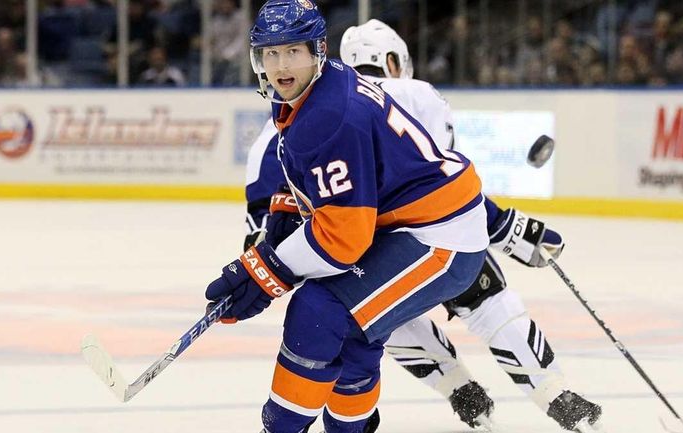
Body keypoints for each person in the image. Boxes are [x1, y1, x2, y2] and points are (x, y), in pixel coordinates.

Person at [244, 17, 604, 433]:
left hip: (354, 250)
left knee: (371, 316)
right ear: (394, 61)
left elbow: (266, 215)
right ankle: (555, 395)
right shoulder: (416, 96)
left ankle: (459, 389)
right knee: (489, 301)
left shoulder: (292, 119)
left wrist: (267, 259)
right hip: (428, 240)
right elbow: (435, 183)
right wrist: (509, 227)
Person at [205, 1, 496, 432]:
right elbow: (324, 182)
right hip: (409, 222)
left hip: (440, 237)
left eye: (292, 52)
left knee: (318, 310)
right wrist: (281, 228)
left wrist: (269, 269)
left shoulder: (329, 115)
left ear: (317, 51)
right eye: (270, 53)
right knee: (356, 333)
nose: (281, 65)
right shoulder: (316, 87)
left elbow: (344, 240)